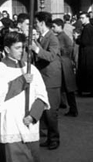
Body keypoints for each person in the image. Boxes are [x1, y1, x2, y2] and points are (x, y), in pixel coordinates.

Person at [0, 32, 49, 162]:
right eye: (17, 48)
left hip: (29, 123)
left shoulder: (32, 68)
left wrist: (33, 115)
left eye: (22, 47)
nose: (21, 51)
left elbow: (42, 95)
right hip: (10, 124)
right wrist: (21, 81)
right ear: (6, 49)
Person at [30, 12, 62, 150]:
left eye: (36, 22)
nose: (35, 25)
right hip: (43, 78)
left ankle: (54, 139)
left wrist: (36, 48)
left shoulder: (53, 38)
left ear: (42, 23)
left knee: (51, 112)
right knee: (44, 110)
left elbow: (50, 56)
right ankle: (49, 138)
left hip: (51, 79)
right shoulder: (42, 37)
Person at [52, 18, 78, 117]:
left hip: (64, 63)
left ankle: (73, 109)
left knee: (68, 88)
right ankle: (68, 107)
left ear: (60, 26)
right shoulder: (61, 36)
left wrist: (61, 51)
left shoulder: (63, 37)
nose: (53, 28)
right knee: (65, 88)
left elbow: (69, 49)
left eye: (54, 26)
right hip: (64, 63)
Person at [76, 12, 93, 97]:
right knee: (89, 71)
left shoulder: (87, 28)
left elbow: (84, 41)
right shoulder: (89, 27)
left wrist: (77, 39)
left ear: (87, 18)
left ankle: (88, 89)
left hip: (87, 53)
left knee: (87, 71)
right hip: (89, 52)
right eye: (80, 18)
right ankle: (91, 90)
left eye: (82, 18)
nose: (81, 20)